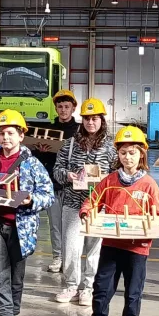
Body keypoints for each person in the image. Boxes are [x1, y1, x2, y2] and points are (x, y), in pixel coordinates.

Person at [73, 126, 159, 316]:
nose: (127, 157)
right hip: (111, 245)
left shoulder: (149, 185)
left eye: (132, 153)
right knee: (102, 288)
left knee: (133, 292)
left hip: (137, 249)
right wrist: (86, 212)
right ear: (117, 154)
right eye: (123, 153)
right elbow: (92, 200)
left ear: (142, 154)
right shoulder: (110, 180)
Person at [0, 110, 53, 316]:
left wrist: (31, 200)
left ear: (21, 135)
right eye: (1, 133)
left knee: (16, 278)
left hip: (21, 228)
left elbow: (48, 194)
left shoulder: (32, 164)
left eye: (10, 133)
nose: (5, 137)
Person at [53, 98, 117, 305]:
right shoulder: (70, 144)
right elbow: (57, 170)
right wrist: (68, 175)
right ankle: (71, 285)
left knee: (94, 249)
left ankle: (88, 288)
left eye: (95, 118)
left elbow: (118, 174)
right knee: (71, 247)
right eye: (87, 119)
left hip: (99, 206)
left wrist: (105, 181)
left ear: (101, 120)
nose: (90, 122)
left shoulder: (111, 147)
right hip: (73, 203)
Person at [32, 89, 80, 274]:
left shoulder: (79, 131)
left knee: (72, 225)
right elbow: (38, 158)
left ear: (73, 108)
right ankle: (58, 257)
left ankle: (71, 259)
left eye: (67, 106)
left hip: (73, 186)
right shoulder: (48, 130)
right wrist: (41, 151)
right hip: (52, 184)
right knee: (55, 225)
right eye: (60, 106)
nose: (63, 110)